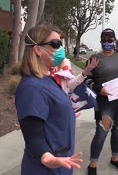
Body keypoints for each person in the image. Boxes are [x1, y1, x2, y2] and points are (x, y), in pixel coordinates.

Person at [15, 24, 83, 175]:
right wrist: (46, 157)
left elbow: (50, 110)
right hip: (45, 170)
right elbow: (33, 135)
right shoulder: (32, 88)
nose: (61, 50)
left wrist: (67, 114)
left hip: (61, 164)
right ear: (38, 49)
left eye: (61, 44)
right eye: (55, 44)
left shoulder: (47, 79)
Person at [84, 28, 118, 175]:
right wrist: (98, 88)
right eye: (104, 40)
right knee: (101, 132)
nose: (107, 42)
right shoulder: (94, 59)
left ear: (114, 40)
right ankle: (93, 164)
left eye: (110, 40)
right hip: (104, 102)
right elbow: (86, 80)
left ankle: (115, 158)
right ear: (101, 41)